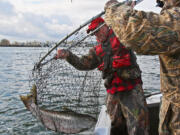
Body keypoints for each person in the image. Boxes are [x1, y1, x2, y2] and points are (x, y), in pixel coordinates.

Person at [55, 17, 149, 135]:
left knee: (138, 126)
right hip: (113, 91)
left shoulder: (122, 35)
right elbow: (83, 64)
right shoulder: (97, 50)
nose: (96, 35)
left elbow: (135, 32)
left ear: (105, 26)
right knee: (113, 124)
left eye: (97, 30)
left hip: (131, 89)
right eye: (93, 33)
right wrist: (68, 55)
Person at [104, 0, 180, 135]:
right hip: (117, 91)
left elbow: (132, 32)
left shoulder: (176, 20)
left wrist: (113, 7)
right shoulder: (99, 49)